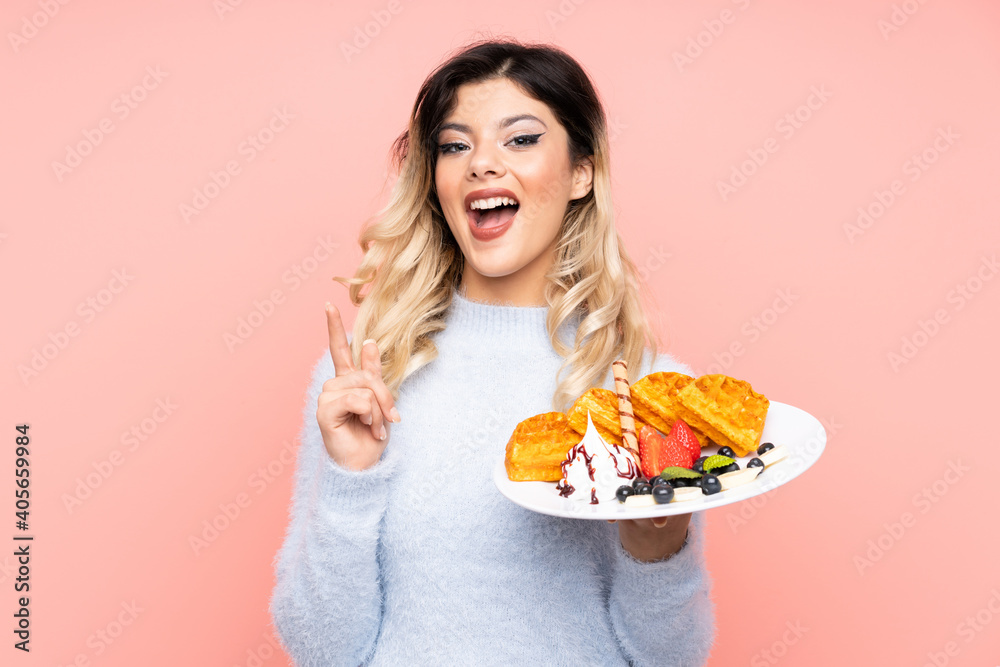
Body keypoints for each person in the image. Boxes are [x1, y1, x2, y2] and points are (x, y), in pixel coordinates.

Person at [269, 38, 715, 666]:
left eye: (521, 139)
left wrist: (658, 546)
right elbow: (322, 651)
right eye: (455, 145)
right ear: (436, 181)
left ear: (582, 172)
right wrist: (352, 480)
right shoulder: (367, 381)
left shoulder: (645, 390)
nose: (482, 164)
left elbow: (672, 658)